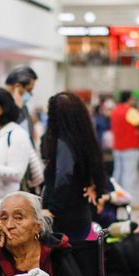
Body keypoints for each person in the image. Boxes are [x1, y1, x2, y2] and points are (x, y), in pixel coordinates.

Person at [40, 91, 108, 240]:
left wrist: (52, 209)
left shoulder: (62, 141)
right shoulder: (85, 139)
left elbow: (64, 175)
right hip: (80, 213)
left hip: (62, 216)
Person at [4, 66, 44, 193]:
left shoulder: (23, 107)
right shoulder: (3, 107)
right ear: (17, 87)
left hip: (26, 162)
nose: (30, 94)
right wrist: (17, 108)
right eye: (29, 90)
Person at [110, 90, 139, 203]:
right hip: (131, 147)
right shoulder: (130, 111)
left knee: (118, 174)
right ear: (129, 99)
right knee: (129, 175)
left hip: (117, 147)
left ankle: (116, 198)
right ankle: (129, 200)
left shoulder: (114, 110)